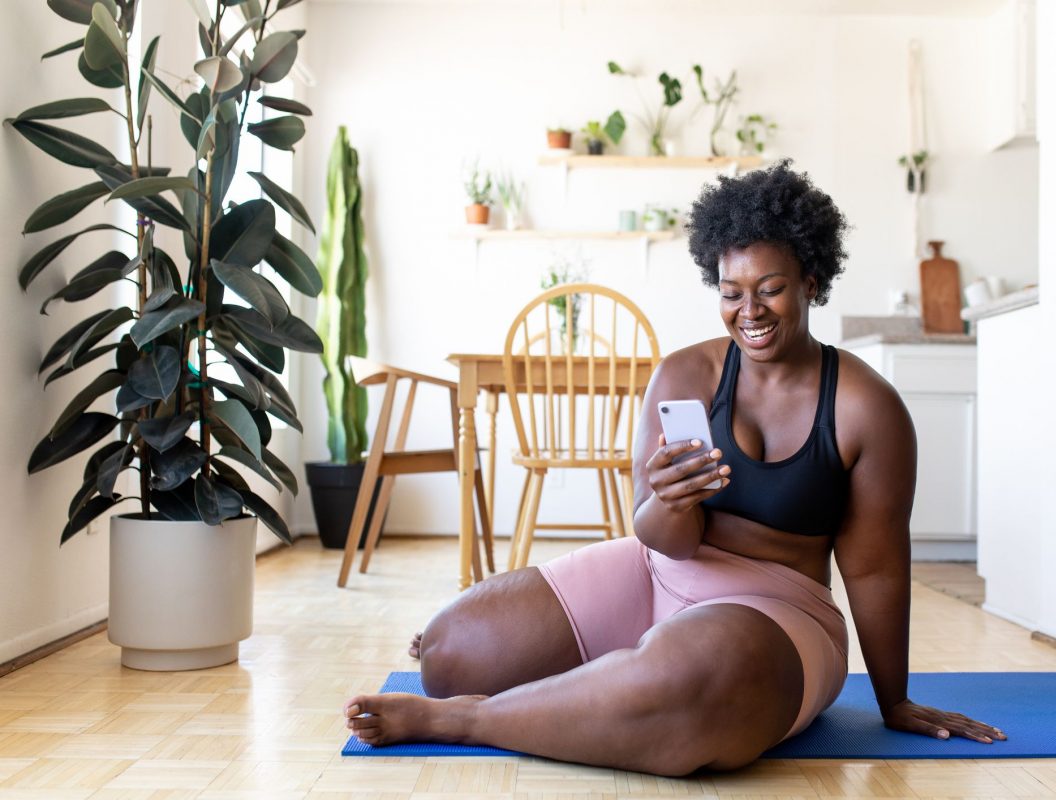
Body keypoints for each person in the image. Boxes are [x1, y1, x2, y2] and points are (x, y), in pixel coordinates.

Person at [343, 160, 1004, 776]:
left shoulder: (866, 407)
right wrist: (667, 501)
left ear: (811, 280)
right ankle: (621, 676)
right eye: (732, 291)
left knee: (695, 689)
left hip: (775, 614)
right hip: (656, 571)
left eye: (771, 289)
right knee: (451, 652)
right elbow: (663, 539)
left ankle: (470, 721)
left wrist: (894, 702)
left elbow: (873, 566)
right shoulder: (685, 375)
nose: (750, 312)